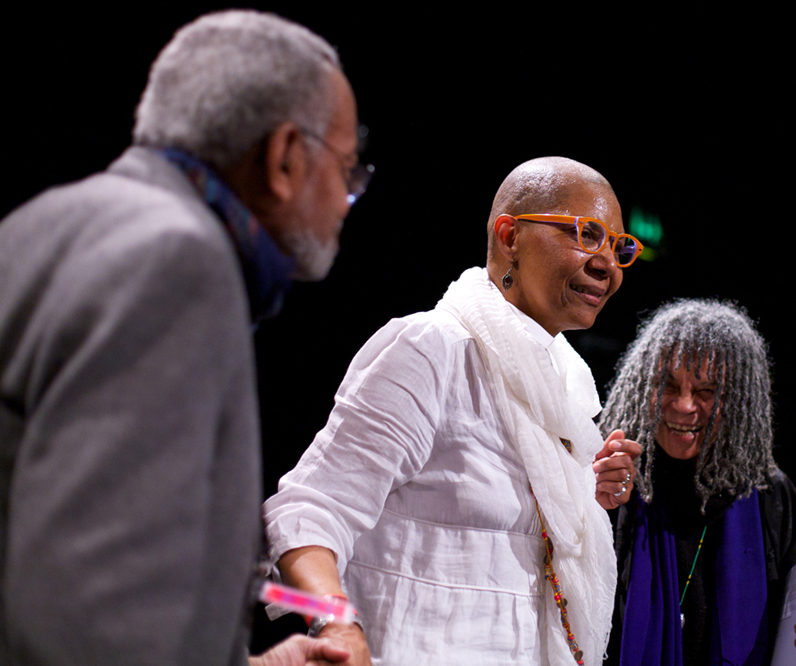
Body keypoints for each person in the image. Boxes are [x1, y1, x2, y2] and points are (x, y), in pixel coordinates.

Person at [0, 10, 372, 666]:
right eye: (347, 169)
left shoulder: (39, 224)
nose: (347, 199)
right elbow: (95, 628)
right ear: (284, 158)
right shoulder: (178, 263)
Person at [263, 157, 643, 665]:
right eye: (587, 234)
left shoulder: (567, 389)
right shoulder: (432, 350)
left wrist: (581, 493)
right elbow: (303, 512)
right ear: (509, 236)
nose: (608, 264)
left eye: (619, 248)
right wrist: (333, 622)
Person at [599, 299, 796, 665]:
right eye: (667, 385)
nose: (684, 406)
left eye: (706, 391)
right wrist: (600, 510)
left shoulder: (769, 491)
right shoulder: (613, 484)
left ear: (738, 401)